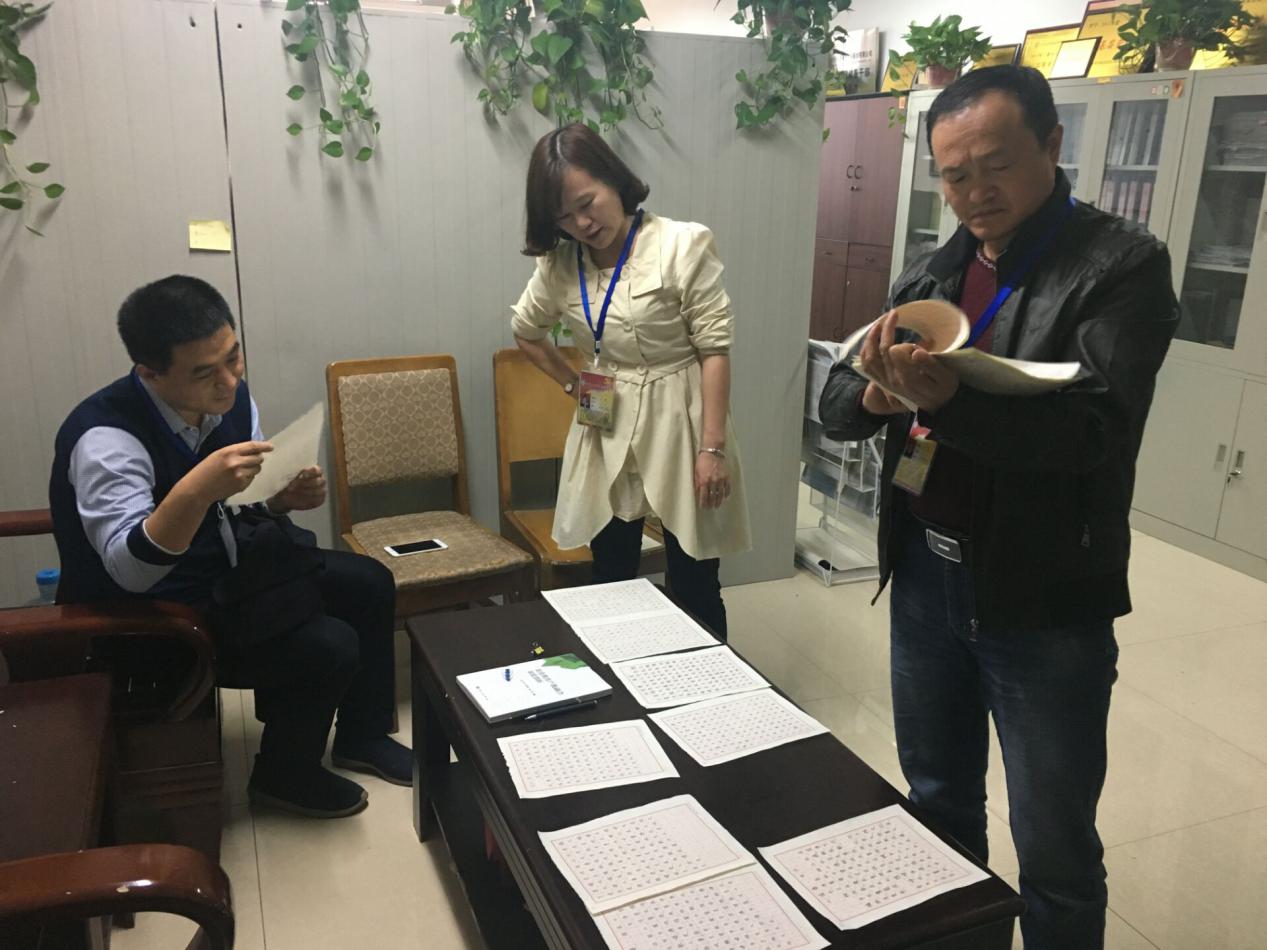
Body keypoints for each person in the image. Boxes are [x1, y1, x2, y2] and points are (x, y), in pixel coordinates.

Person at [819, 66, 1178, 949]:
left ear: (1051, 145)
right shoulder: (936, 266)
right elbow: (838, 400)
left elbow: (1091, 431)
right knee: (937, 803)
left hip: (1042, 592)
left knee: (1053, 845)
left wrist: (946, 402)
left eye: (995, 166)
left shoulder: (1119, 264)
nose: (974, 192)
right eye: (953, 175)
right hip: (924, 579)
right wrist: (879, 393)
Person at [49, 275, 410, 819]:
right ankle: (284, 776)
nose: (229, 382)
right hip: (151, 614)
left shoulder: (229, 401)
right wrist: (197, 488)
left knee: (369, 581)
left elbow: (242, 503)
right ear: (150, 372)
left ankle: (363, 736)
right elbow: (130, 571)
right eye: (204, 372)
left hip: (222, 568)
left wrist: (281, 498)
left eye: (233, 357)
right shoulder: (106, 440)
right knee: (328, 644)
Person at [510, 124, 751, 638]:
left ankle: (704, 681)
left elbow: (713, 349)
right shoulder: (560, 265)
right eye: (564, 217)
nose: (582, 223)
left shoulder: (681, 244)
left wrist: (711, 449)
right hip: (607, 418)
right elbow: (526, 332)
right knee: (611, 571)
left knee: (694, 577)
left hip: (682, 415)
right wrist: (576, 386)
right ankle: (621, 677)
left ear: (613, 180)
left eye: (587, 203)